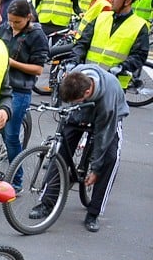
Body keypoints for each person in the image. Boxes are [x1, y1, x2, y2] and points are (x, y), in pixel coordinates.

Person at [28, 66, 127, 233]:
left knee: (110, 159)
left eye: (75, 100)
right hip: (79, 113)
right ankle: (47, 202)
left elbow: (104, 136)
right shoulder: (75, 76)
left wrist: (96, 169)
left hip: (108, 118)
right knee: (60, 151)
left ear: (87, 92)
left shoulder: (108, 96)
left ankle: (94, 212)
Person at [0, 0, 48, 188]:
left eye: (17, 22)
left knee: (11, 136)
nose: (13, 25)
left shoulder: (37, 36)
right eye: (10, 21)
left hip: (19, 90)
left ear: (28, 18)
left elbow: (38, 69)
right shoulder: (3, 29)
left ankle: (16, 181)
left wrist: (11, 62)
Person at [72, 0, 150, 89]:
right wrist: (74, 59)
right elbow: (83, 42)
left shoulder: (139, 25)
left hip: (114, 84)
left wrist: (122, 67)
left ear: (127, 1)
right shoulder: (102, 16)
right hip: (88, 79)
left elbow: (139, 55)